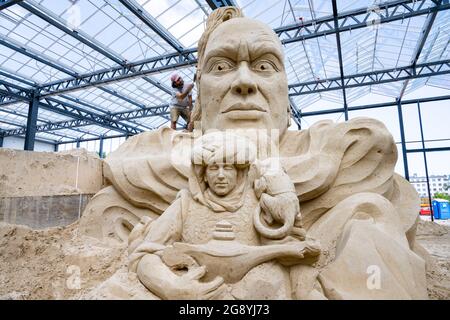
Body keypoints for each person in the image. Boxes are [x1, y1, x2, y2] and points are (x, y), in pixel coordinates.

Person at [81, 6, 428, 299]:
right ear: (199, 97)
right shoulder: (154, 156)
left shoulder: (333, 148)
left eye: (264, 66)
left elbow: (371, 147)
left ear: (285, 100)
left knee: (372, 212)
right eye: (221, 67)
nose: (245, 82)